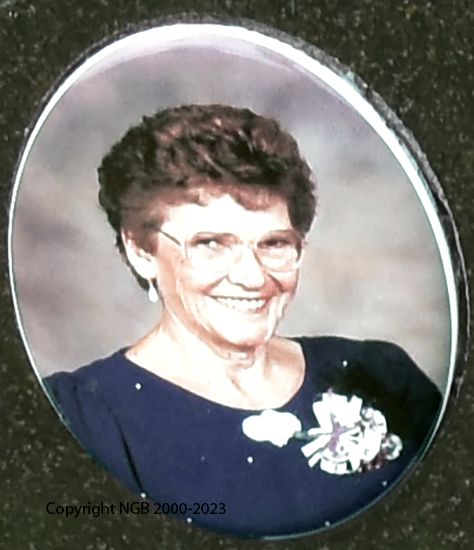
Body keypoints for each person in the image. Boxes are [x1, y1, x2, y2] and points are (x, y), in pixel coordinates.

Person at [45, 104, 441, 538]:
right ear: (142, 251)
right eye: (211, 244)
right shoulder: (86, 416)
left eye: (273, 244)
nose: (253, 278)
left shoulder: (380, 375)